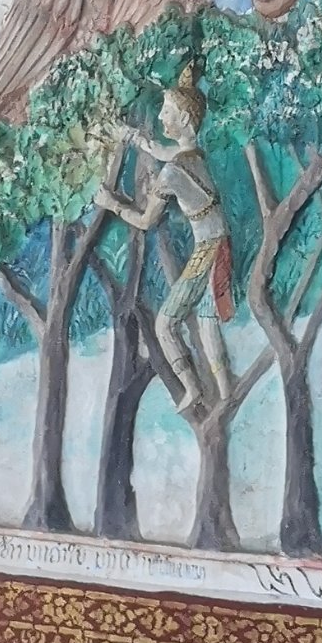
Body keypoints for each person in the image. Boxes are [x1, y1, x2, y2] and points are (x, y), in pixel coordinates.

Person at [96, 73, 235, 416]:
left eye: (166, 111)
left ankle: (192, 386)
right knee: (207, 319)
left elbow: (146, 221)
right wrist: (132, 137)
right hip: (221, 243)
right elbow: (159, 149)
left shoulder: (173, 173)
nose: (160, 117)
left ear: (184, 119)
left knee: (165, 324)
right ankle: (225, 390)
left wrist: (112, 204)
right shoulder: (192, 154)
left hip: (207, 250)